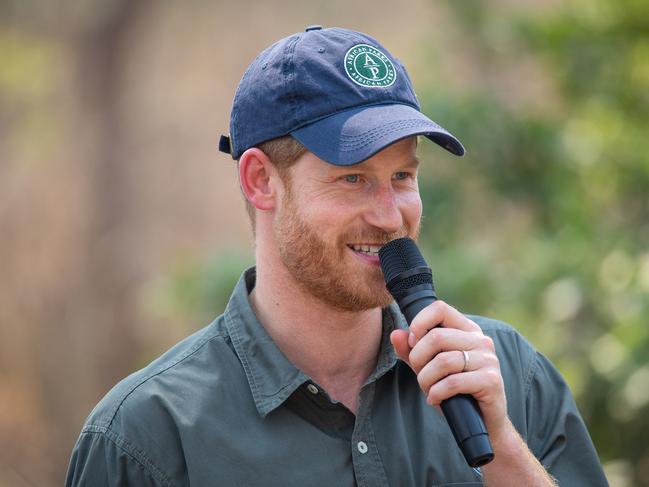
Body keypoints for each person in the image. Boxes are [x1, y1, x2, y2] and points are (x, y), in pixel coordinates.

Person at [66, 26, 608, 486]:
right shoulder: (144, 438)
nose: (391, 216)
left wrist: (504, 448)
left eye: (402, 176)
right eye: (353, 178)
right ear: (261, 180)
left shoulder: (512, 376)